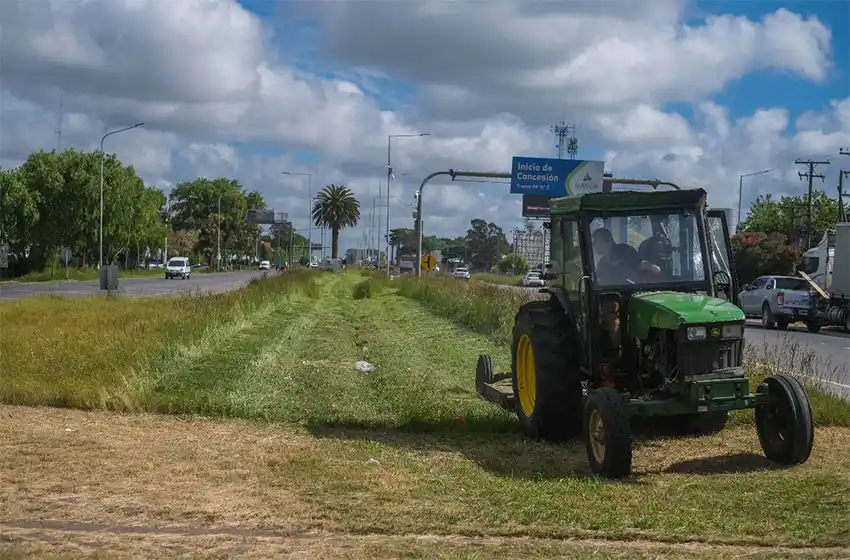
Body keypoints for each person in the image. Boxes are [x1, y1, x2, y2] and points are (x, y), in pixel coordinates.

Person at [592, 227, 661, 284]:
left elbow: (640, 263)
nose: (593, 245)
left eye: (595, 241)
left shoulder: (624, 251)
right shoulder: (602, 263)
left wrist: (653, 268)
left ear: (605, 241)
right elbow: (598, 280)